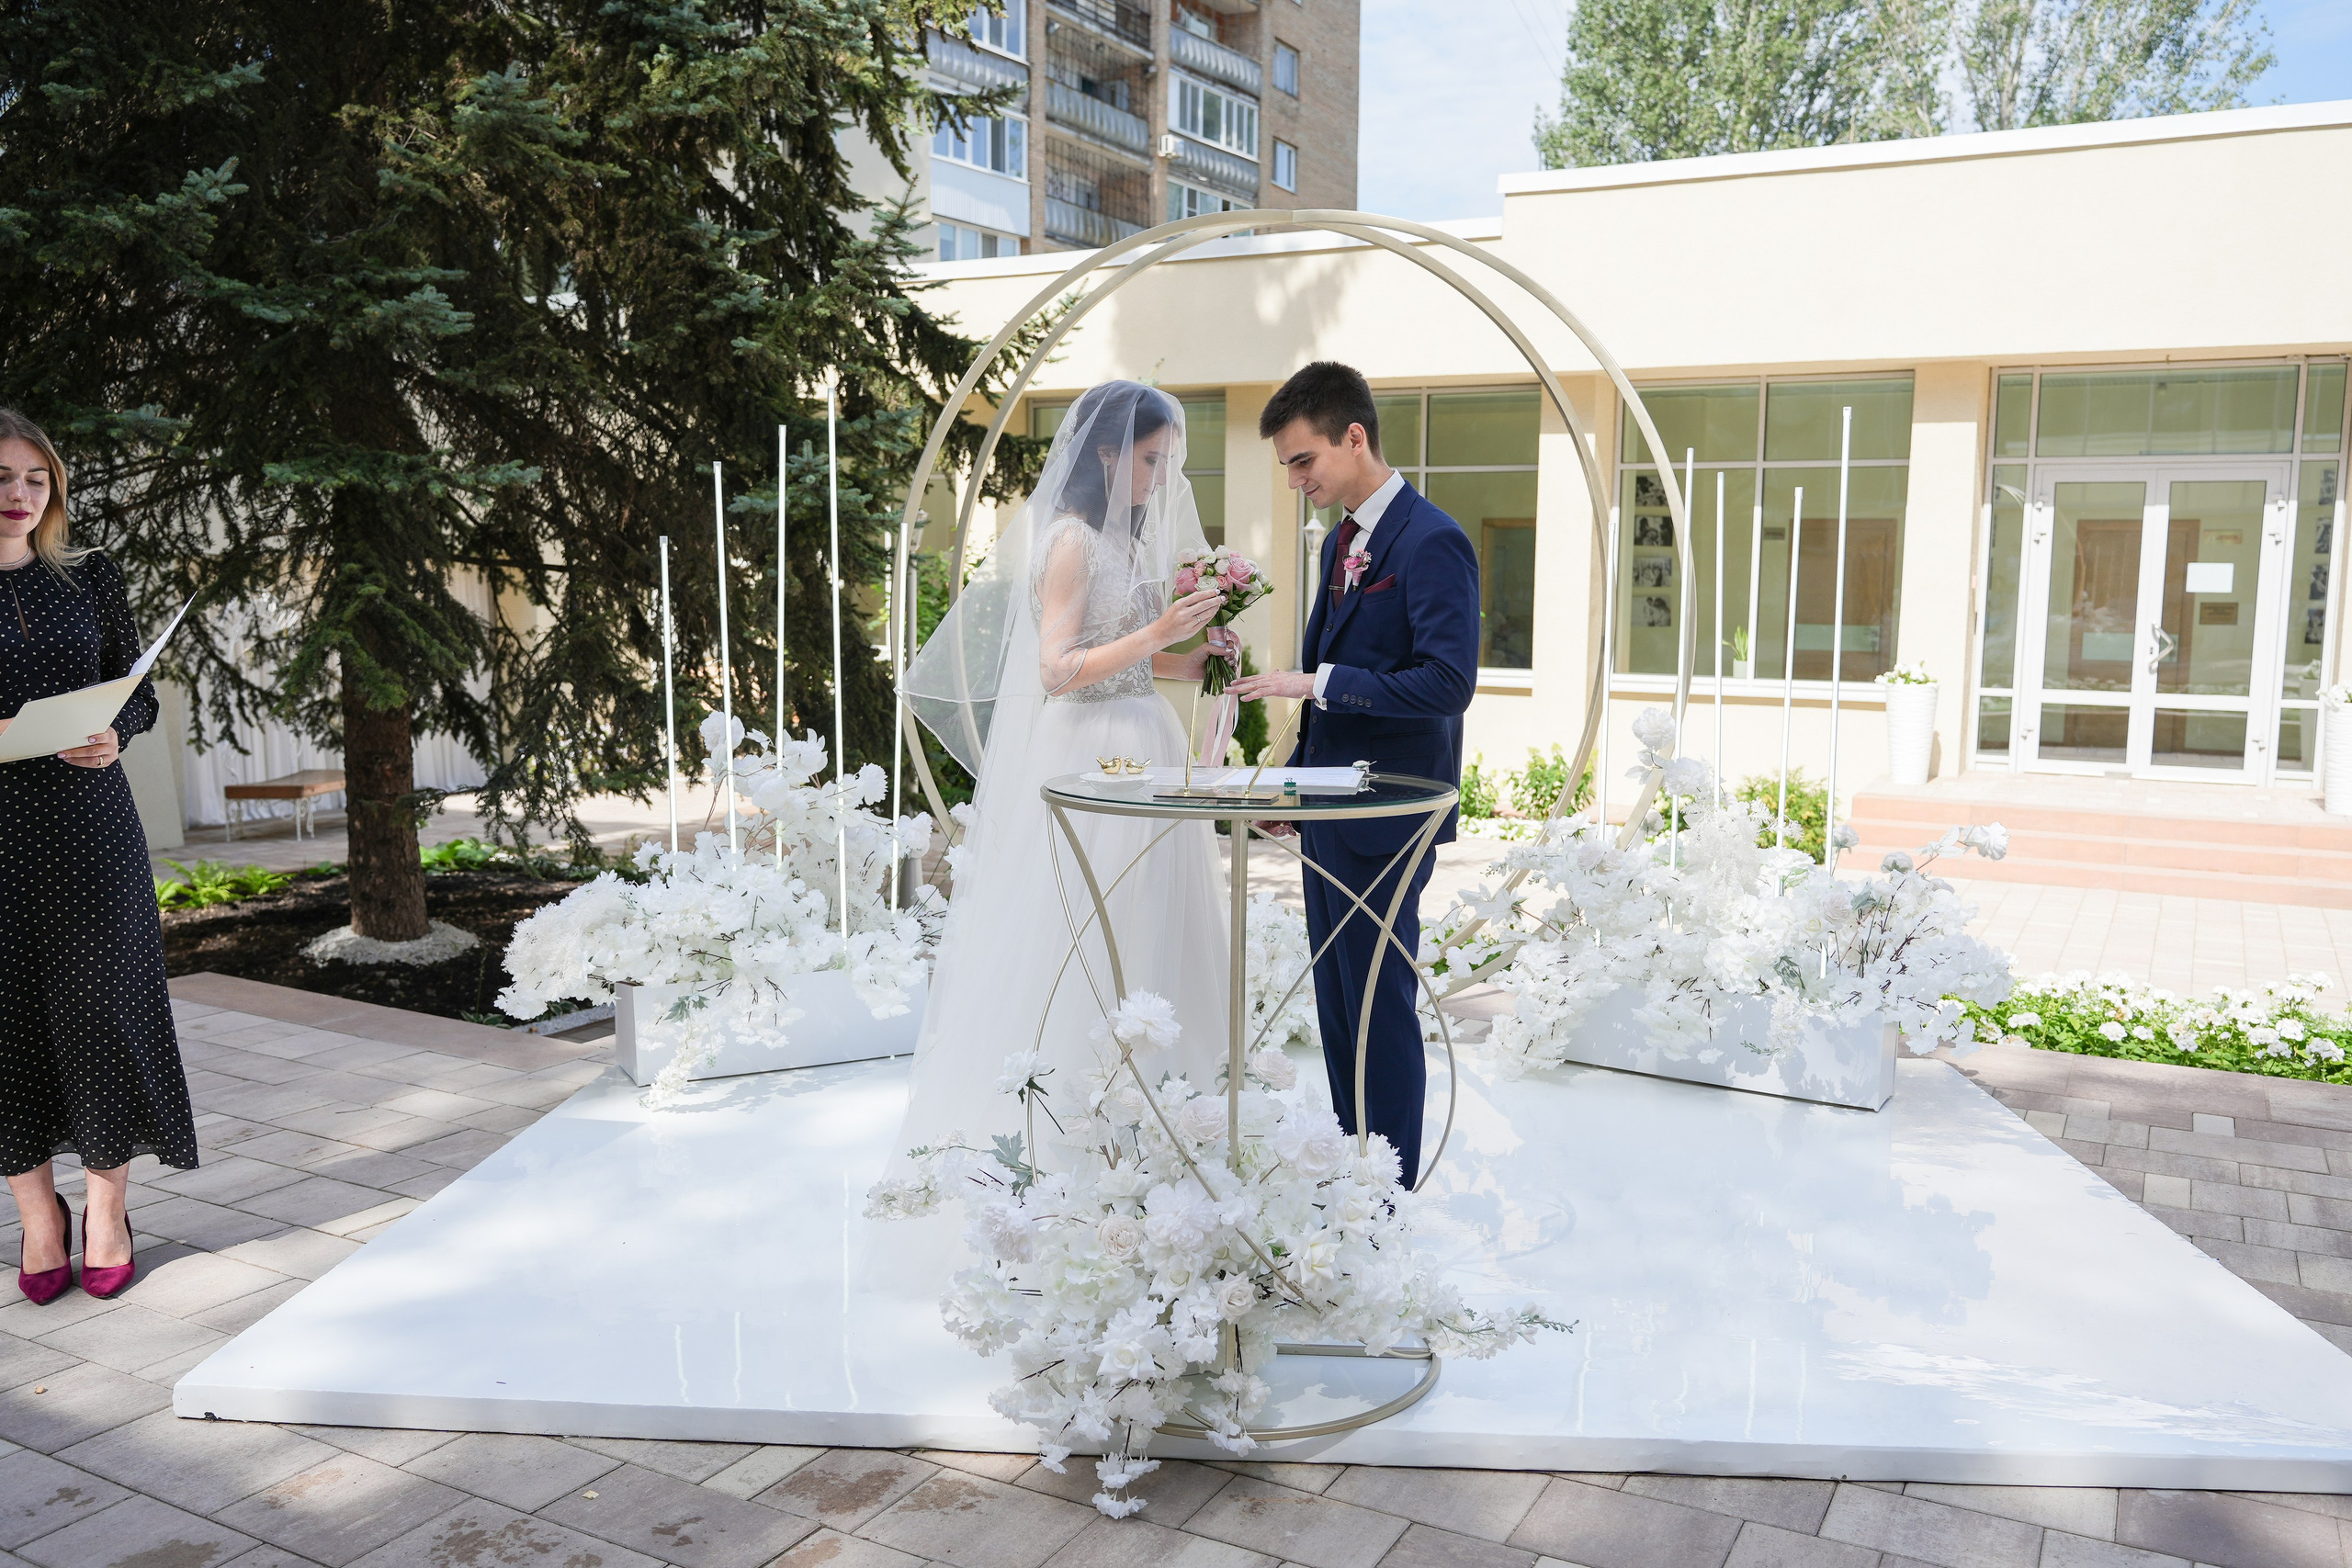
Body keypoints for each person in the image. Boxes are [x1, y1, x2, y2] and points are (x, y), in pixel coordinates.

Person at [894, 381, 1236, 1165]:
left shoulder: (1123, 540)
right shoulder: (1073, 540)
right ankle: (1075, 1140)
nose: (1161, 474)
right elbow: (1057, 668)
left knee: (1156, 917)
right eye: (1151, 458)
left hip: (1143, 738)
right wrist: (1157, 631)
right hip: (1090, 751)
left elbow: (1131, 661)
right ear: (1109, 454)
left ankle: (1160, 1119)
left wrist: (1193, 653)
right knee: (1091, 925)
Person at [1228, 363, 1478, 1187]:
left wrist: (1318, 682)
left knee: (1380, 1010)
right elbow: (1330, 677)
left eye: (1304, 461)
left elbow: (1449, 682)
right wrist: (1291, 788)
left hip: (1391, 813)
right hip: (1330, 811)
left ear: (1355, 437)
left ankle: (1391, 1197)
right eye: (1288, 467)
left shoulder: (1432, 539)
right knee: (1338, 1006)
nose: (1296, 479)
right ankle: (1350, 1172)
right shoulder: (1342, 538)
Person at [0, 410, 198, 1303]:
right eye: (3, 478)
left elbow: (138, 692)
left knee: (104, 1014)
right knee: (8, 1029)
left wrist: (114, 732)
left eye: (35, 480)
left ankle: (107, 1212)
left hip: (90, 829)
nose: (19, 496)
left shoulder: (90, 577)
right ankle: (39, 1222)